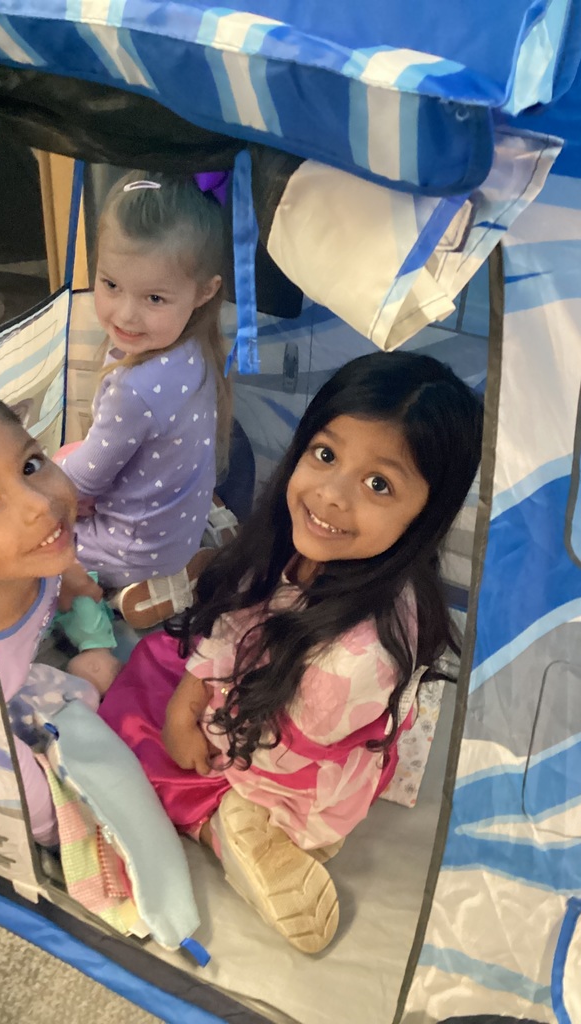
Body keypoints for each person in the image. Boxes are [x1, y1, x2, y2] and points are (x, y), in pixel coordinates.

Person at [100, 350, 483, 953]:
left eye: (378, 483)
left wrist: (190, 721)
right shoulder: (315, 550)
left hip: (280, 768)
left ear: (426, 514)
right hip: (268, 692)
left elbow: (267, 742)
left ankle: (236, 828)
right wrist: (189, 692)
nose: (330, 495)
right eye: (326, 454)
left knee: (137, 746)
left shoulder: (348, 664)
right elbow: (237, 619)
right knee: (164, 667)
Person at [0, 375, 118, 846]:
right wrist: (58, 832)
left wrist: (73, 577)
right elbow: (18, 791)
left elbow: (65, 567)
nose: (39, 505)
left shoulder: (35, 552)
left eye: (32, 464)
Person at [57, 171, 231, 616]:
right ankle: (184, 564)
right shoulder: (195, 344)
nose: (125, 314)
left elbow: (82, 481)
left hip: (134, 549)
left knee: (25, 539)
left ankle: (131, 594)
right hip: (177, 528)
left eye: (154, 298)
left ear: (204, 291)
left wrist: (46, 482)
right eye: (110, 284)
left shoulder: (135, 389)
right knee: (72, 456)